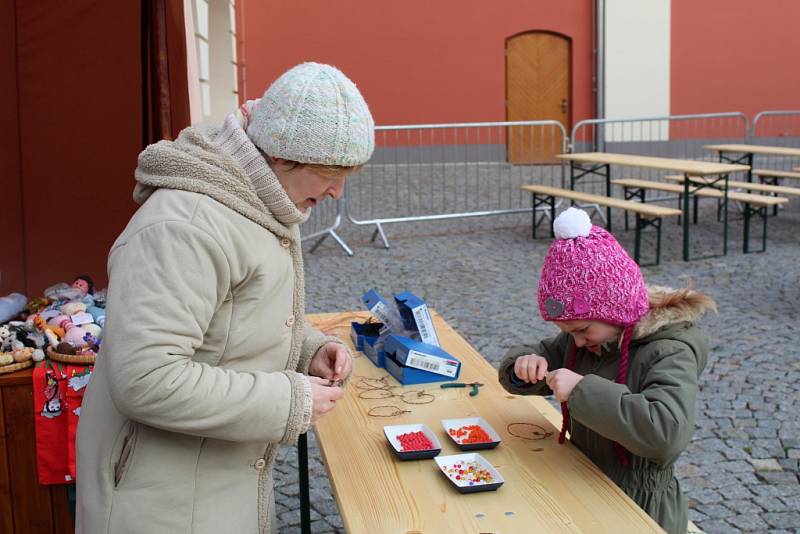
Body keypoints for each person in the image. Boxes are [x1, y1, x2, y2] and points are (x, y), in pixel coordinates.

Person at [76, 62, 374, 534]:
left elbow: (236, 319)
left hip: (211, 484)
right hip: (160, 502)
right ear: (281, 155)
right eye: (329, 173)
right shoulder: (185, 225)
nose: (337, 191)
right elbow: (147, 378)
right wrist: (288, 399)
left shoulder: (262, 198)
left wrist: (307, 348)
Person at [498, 207, 715, 534]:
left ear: (617, 310)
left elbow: (667, 434)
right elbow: (539, 355)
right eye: (567, 331)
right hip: (585, 479)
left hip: (640, 504)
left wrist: (582, 390)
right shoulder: (584, 338)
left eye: (583, 330)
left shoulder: (669, 350)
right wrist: (522, 365)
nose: (578, 342)